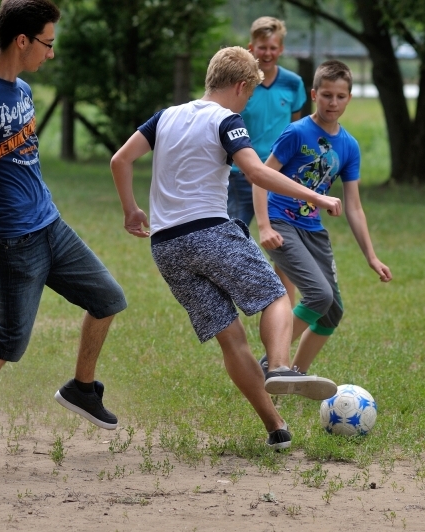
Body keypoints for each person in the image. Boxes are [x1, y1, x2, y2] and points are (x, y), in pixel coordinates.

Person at [110, 46, 340, 450]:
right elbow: (256, 172)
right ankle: (280, 367)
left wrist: (131, 210)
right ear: (240, 86)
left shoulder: (165, 117)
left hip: (166, 246)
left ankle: (275, 428)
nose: (247, 103)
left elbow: (120, 160)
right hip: (210, 231)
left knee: (230, 337)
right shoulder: (226, 120)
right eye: (249, 94)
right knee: (276, 296)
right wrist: (316, 196)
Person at [0, 0, 127, 472]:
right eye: (47, 43)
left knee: (108, 299)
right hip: (13, 239)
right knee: (8, 341)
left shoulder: (22, 90)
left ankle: (82, 389)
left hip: (51, 226)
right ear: (22, 41)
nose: (51, 53)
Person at [252, 60, 392, 376]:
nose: (333, 103)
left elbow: (354, 206)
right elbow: (260, 177)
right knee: (319, 295)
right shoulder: (297, 132)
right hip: (282, 223)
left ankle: (295, 377)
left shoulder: (349, 146)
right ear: (314, 94)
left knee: (332, 311)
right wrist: (264, 226)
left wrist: (371, 257)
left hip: (313, 230)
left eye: (340, 96)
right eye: (327, 95)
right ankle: (273, 362)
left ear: (349, 98)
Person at [226, 16, 306, 227]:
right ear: (251, 48)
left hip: (278, 175)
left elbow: (296, 131)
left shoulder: (293, 83)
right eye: (262, 48)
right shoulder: (240, 84)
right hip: (241, 175)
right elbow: (227, 130)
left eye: (273, 48)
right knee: (233, 233)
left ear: (281, 49)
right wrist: (248, 168)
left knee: (284, 237)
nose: (267, 53)